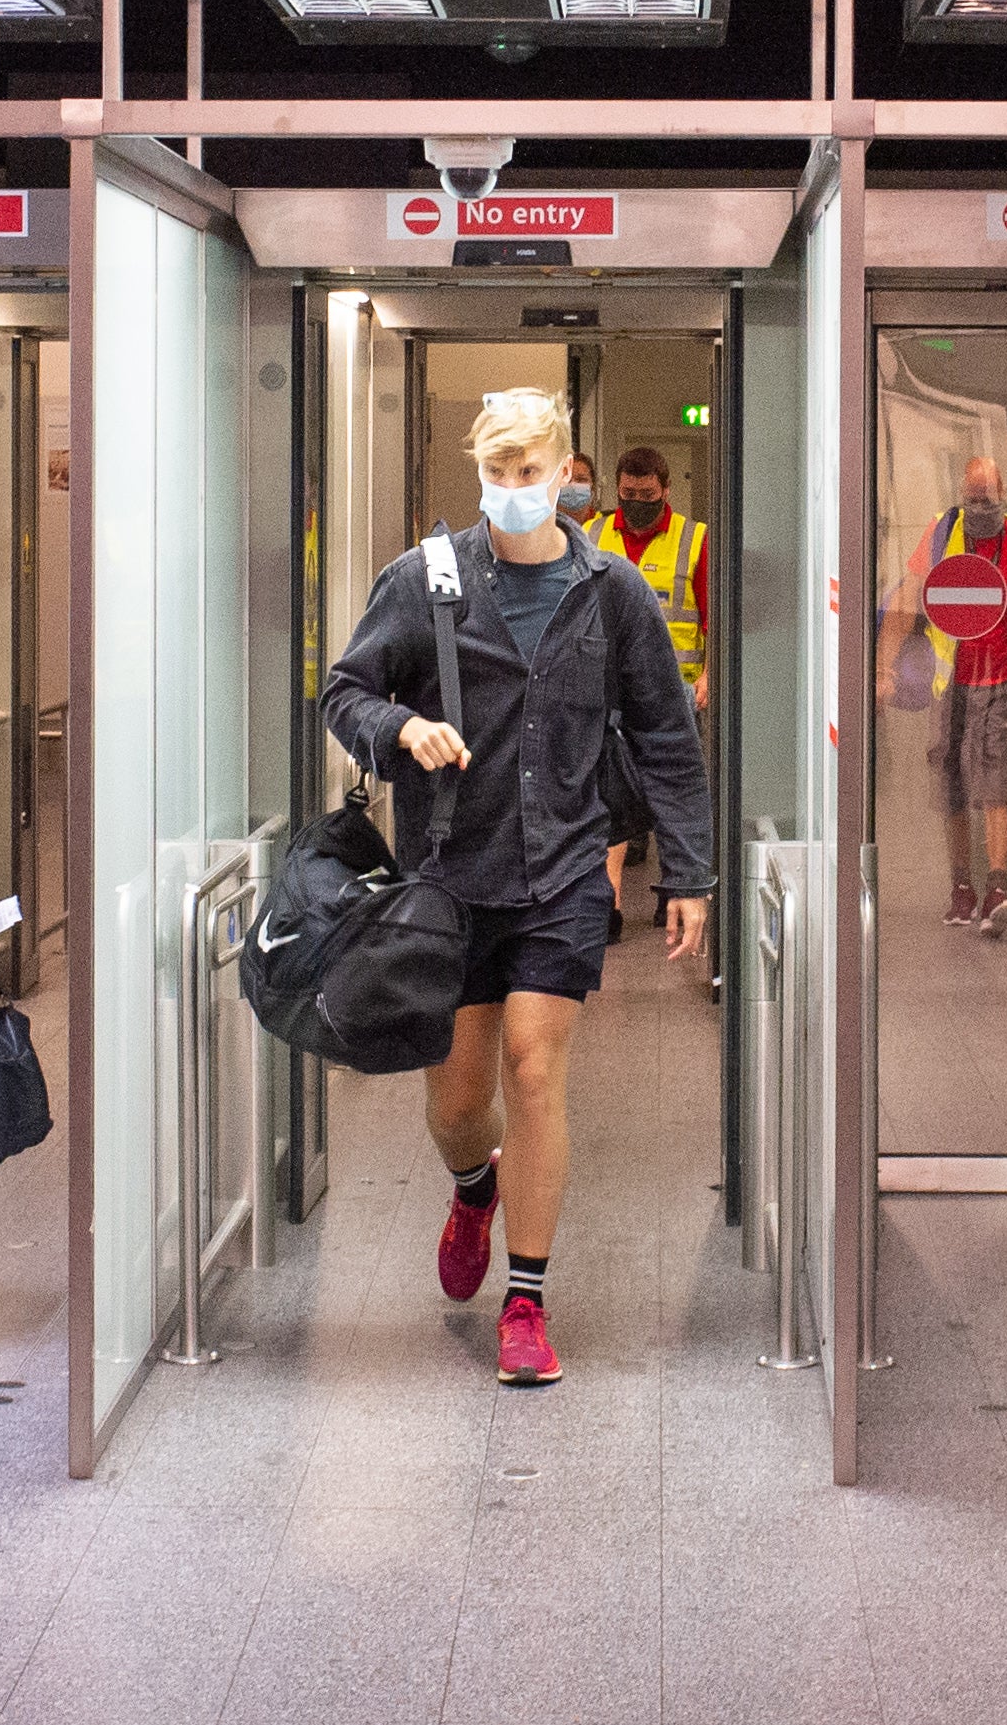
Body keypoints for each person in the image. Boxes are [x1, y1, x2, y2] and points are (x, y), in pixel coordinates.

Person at [325, 387, 712, 1388]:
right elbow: (345, 690)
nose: (512, 490)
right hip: (451, 874)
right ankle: (470, 1186)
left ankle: (527, 1300)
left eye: (529, 472)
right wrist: (400, 729)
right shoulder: (425, 580)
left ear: (564, 470)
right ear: (479, 474)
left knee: (536, 1070)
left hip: (566, 871)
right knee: (459, 1099)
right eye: (495, 474)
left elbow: (666, 733)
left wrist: (690, 871)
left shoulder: (612, 588)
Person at [872, 453, 1007, 934]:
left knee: (998, 775)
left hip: (1006, 675)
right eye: (972, 499)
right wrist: (883, 668)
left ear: (1004, 492)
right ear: (960, 495)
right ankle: (961, 888)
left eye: (987, 498)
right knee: (950, 778)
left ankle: (997, 888)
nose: (980, 507)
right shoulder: (942, 532)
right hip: (951, 679)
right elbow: (908, 598)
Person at [590, 445, 710, 915]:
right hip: (607, 688)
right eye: (627, 493)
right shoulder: (593, 532)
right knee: (611, 791)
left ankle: (675, 887)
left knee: (671, 787)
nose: (636, 500)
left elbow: (712, 616)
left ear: (665, 490)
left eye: (646, 493)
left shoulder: (694, 539)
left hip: (675, 688)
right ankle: (610, 901)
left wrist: (709, 676)